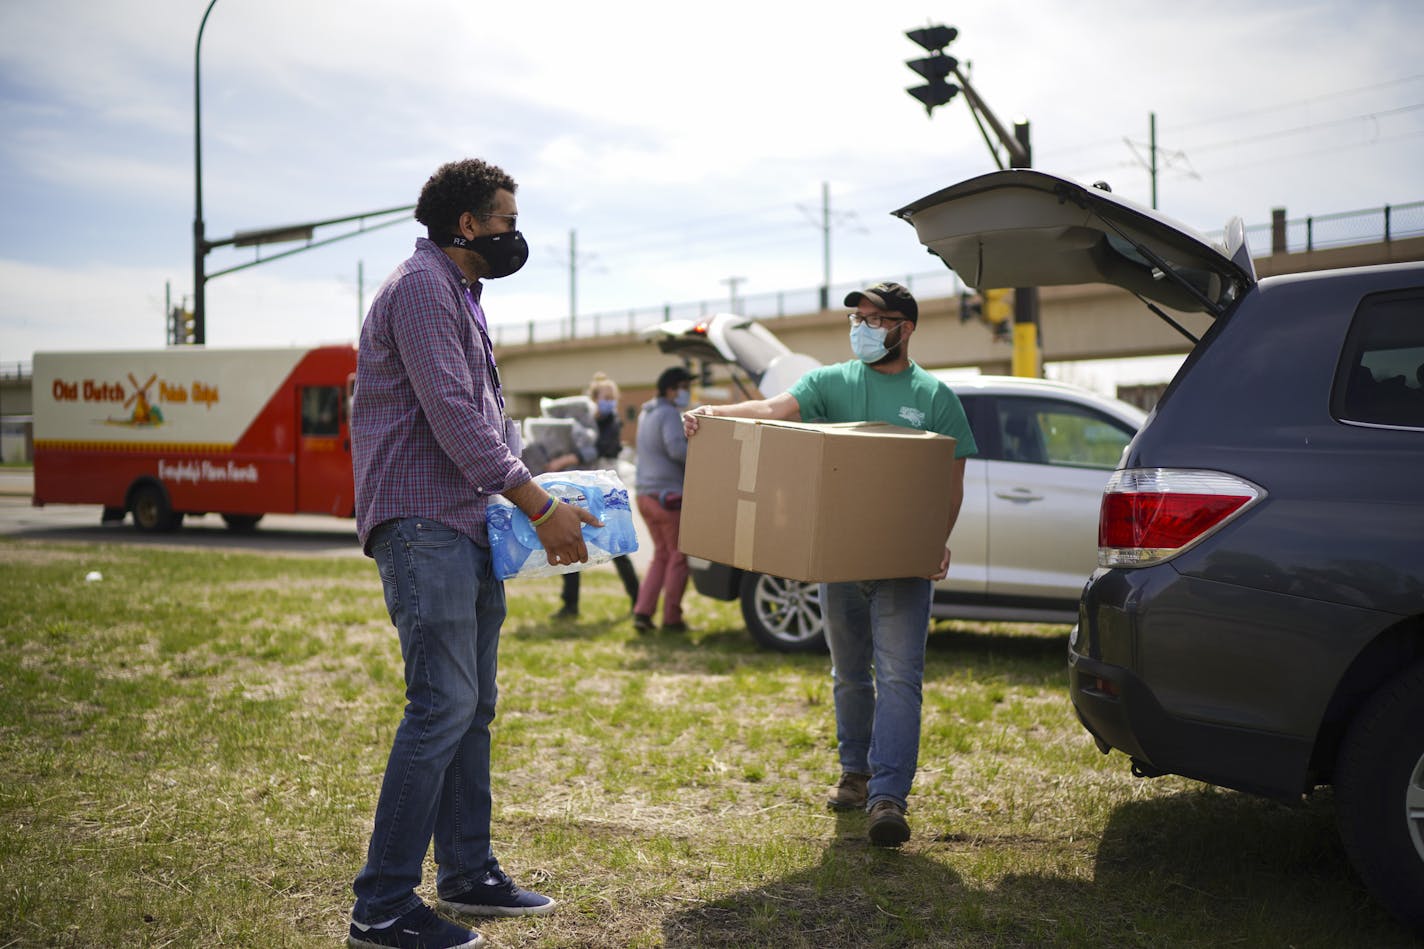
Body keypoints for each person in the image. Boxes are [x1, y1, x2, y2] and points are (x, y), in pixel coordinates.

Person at [348, 158, 600, 949]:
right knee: (442, 705)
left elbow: (489, 425)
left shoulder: (461, 295)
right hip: (423, 523)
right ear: (467, 225)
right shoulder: (422, 289)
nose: (513, 233)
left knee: (472, 707)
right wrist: (537, 503)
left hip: (464, 523)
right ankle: (382, 906)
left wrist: (544, 501)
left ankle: (466, 872)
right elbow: (456, 417)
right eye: (504, 219)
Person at [683, 282, 977, 847]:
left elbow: (950, 482)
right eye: (857, 317)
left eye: (874, 319)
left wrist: (933, 540)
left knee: (898, 678)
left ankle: (889, 795)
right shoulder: (829, 381)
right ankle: (855, 774)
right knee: (849, 675)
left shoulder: (935, 396)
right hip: (840, 561)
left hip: (901, 566)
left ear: (905, 327)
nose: (861, 327)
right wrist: (712, 413)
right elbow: (772, 411)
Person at [549, 372, 641, 618]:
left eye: (613, 398)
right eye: (605, 397)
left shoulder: (612, 423)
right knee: (571, 540)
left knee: (616, 546)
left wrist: (569, 458)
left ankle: (639, 601)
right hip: (581, 490)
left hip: (604, 493)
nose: (609, 401)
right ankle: (570, 604)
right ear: (594, 398)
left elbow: (602, 449)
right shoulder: (582, 424)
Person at [633, 366, 694, 633]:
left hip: (645, 495)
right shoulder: (669, 413)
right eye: (683, 387)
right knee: (679, 557)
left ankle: (643, 612)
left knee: (661, 555)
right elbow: (677, 449)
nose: (686, 392)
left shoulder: (647, 413)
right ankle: (672, 618)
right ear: (671, 389)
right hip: (667, 497)